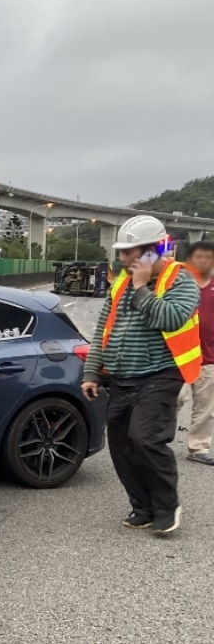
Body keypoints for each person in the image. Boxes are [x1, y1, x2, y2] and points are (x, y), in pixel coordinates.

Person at [81, 215, 200, 536]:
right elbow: (102, 333)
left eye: (129, 252)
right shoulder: (120, 284)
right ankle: (142, 506)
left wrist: (141, 288)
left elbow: (173, 317)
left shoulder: (181, 280)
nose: (121, 259)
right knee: (121, 447)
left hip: (160, 376)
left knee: (145, 438)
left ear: (152, 251)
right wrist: (92, 371)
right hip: (122, 379)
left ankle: (166, 505)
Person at [178, 241, 214, 465]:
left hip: (209, 357)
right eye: (198, 256)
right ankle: (159, 442)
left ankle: (198, 448)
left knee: (205, 407)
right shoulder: (180, 285)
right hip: (180, 356)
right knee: (174, 400)